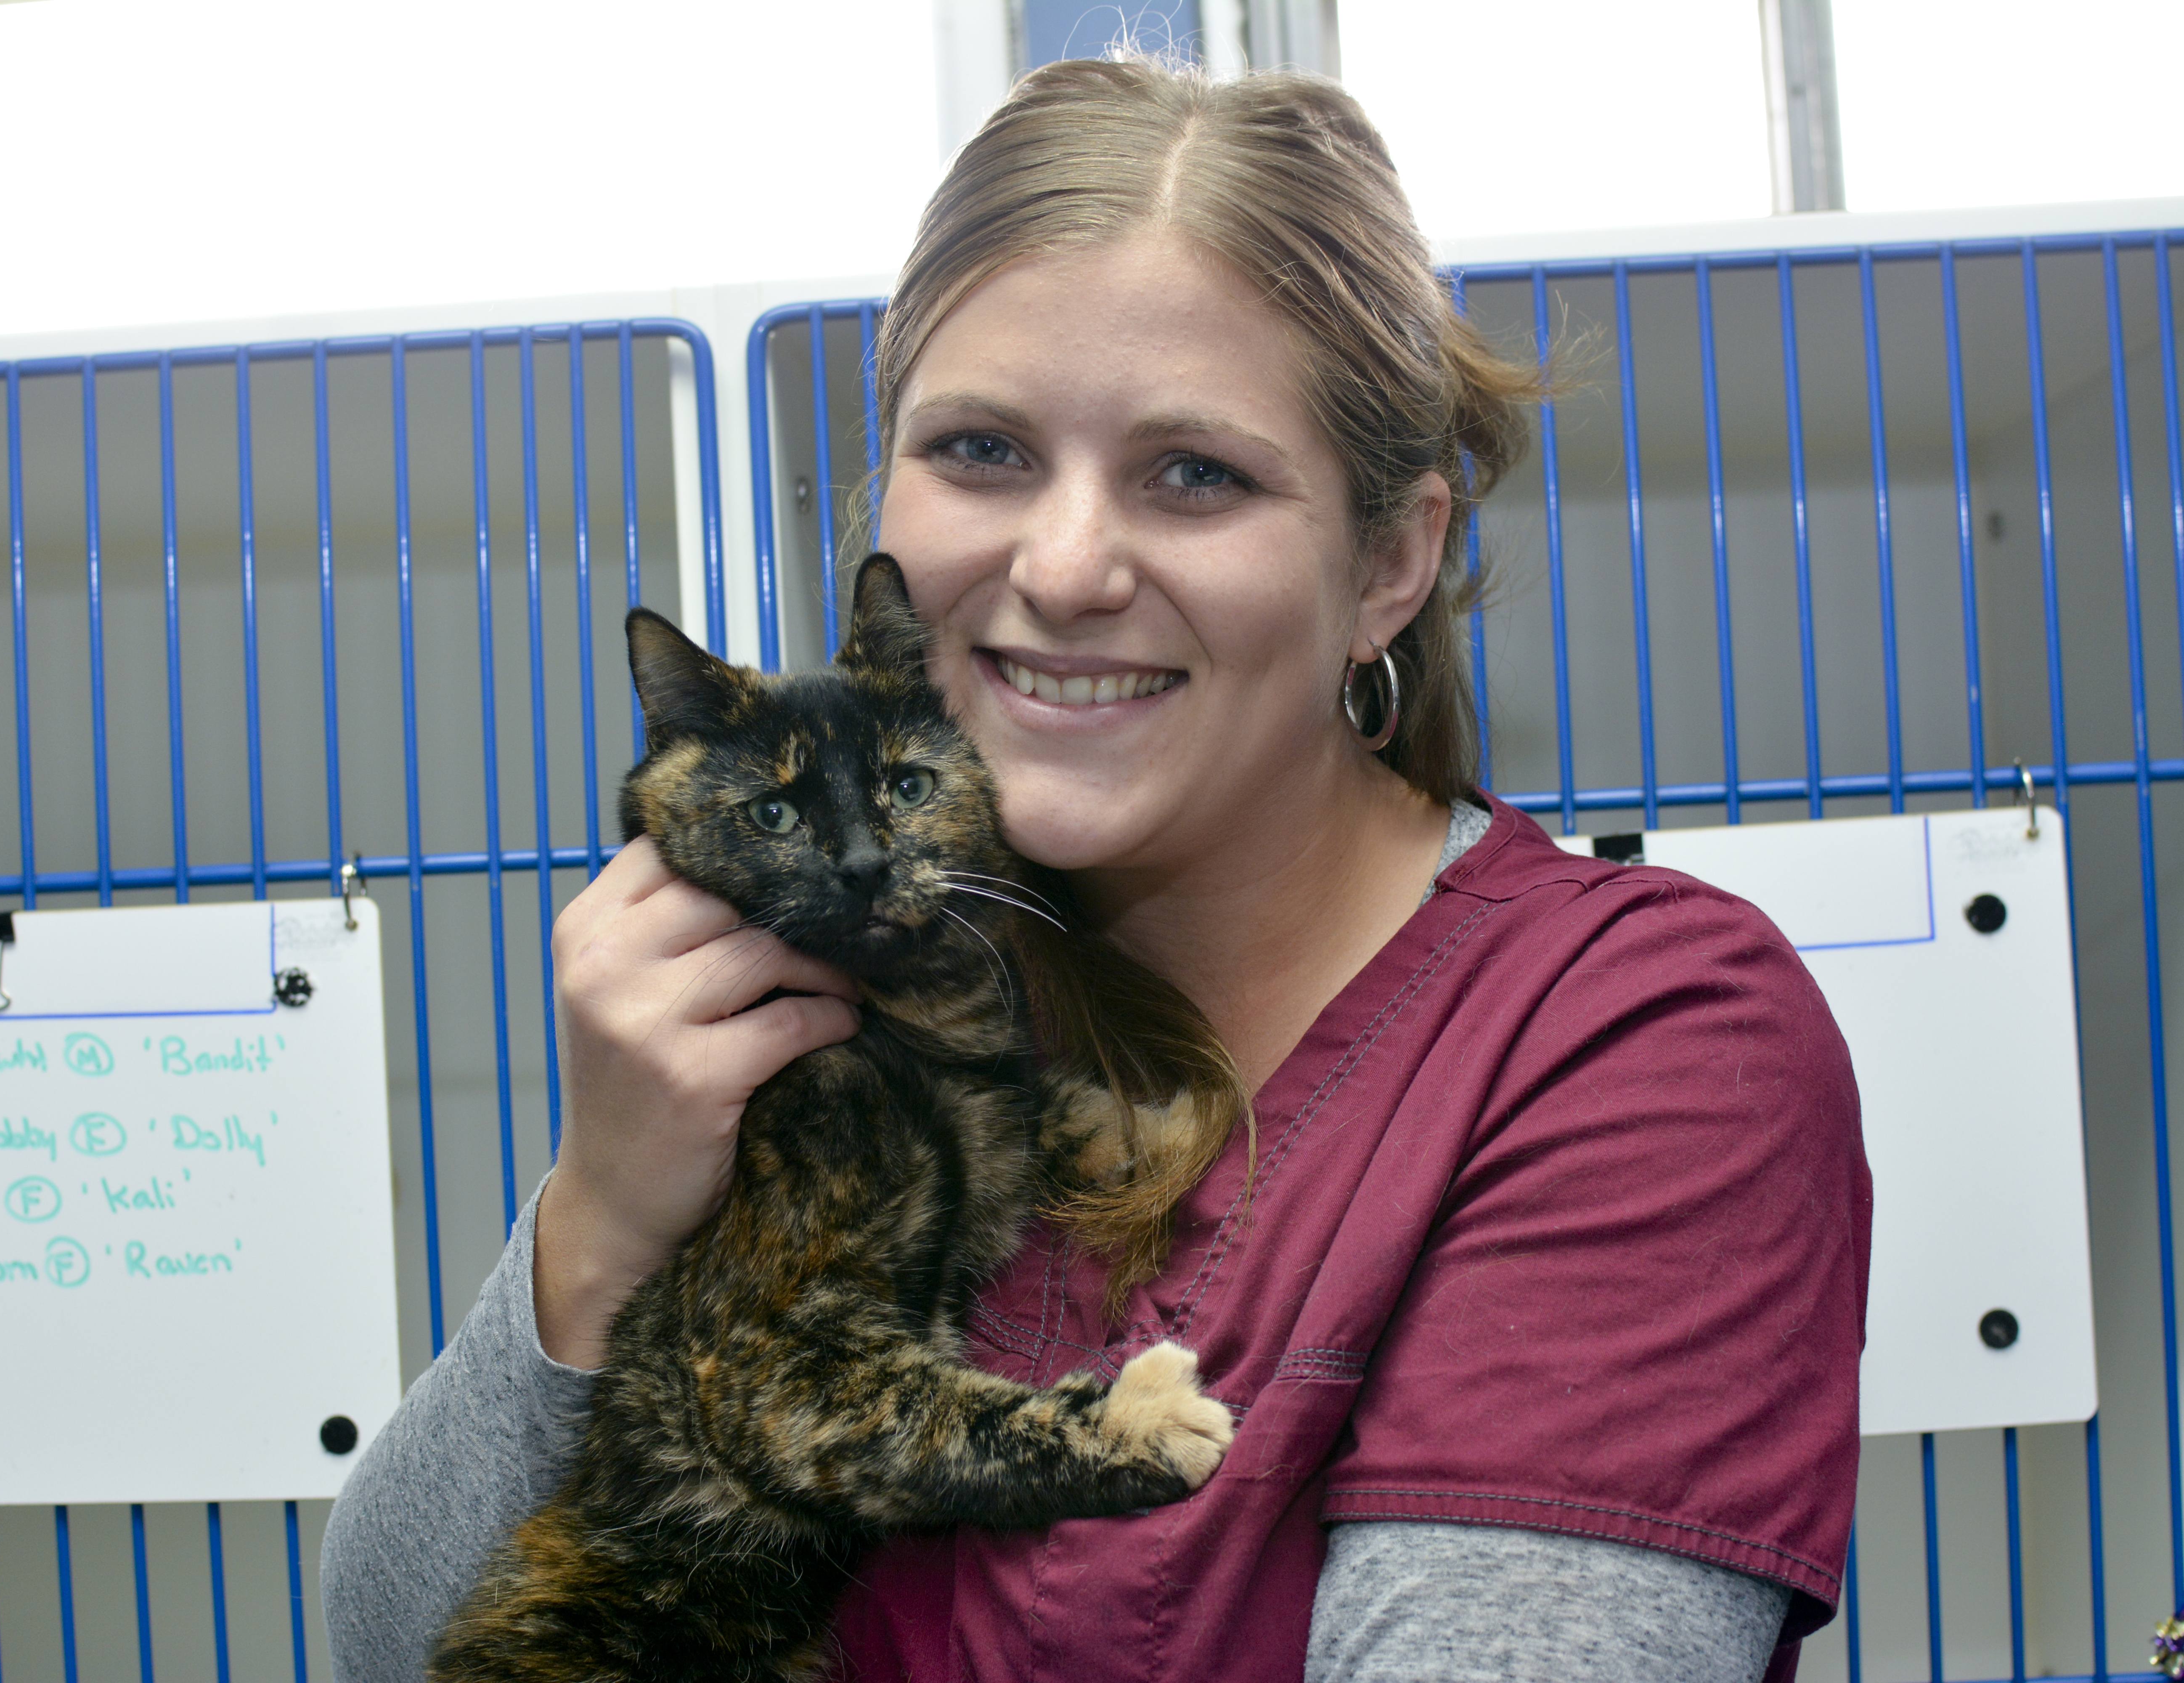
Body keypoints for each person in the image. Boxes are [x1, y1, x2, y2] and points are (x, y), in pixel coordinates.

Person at [320, 56, 1869, 1683]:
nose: (1061, 571)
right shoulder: (842, 973)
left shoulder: (1642, 1041)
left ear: (1392, 562)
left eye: (1197, 473)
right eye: (982, 451)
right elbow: (399, 1638)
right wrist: (606, 1217)